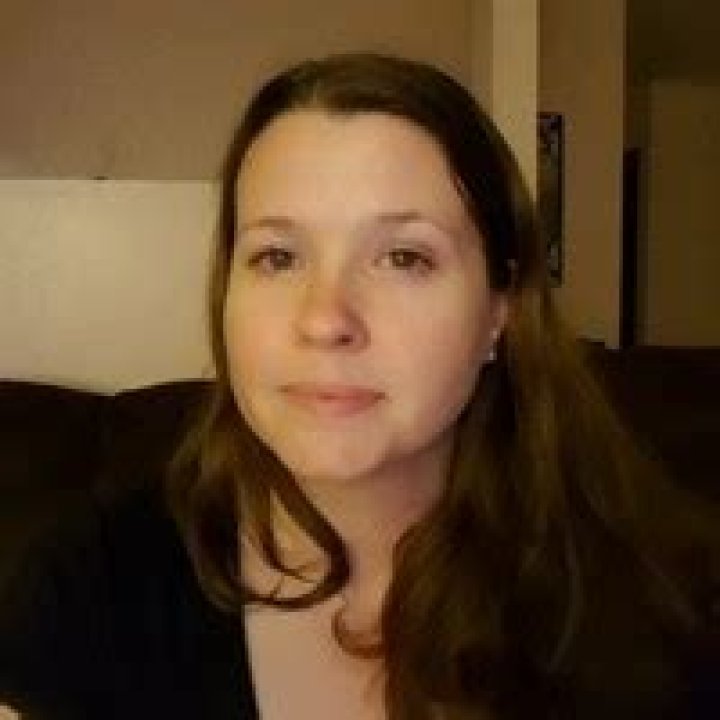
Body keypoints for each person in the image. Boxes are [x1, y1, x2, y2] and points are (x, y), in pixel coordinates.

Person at [1, 52, 719, 720]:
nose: (325, 319)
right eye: (277, 257)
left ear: (499, 311)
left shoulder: (663, 609)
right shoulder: (86, 593)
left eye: (403, 257)